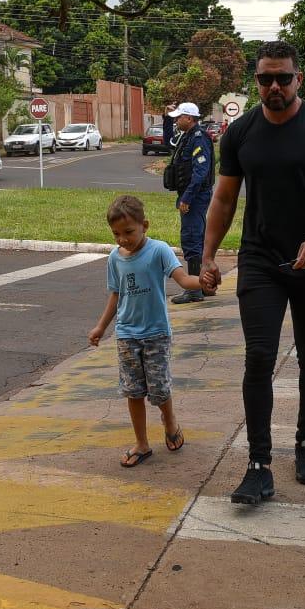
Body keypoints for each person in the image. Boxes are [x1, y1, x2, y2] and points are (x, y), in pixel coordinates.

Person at [200, 40, 305, 506]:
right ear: (256, 81)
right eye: (265, 78)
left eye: (282, 78)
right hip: (260, 260)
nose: (274, 87)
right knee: (258, 359)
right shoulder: (240, 133)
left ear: (298, 79)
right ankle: (258, 465)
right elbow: (224, 198)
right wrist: (208, 257)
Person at [88, 194, 211, 469]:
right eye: (116, 234)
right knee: (133, 391)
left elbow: (181, 279)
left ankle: (170, 422)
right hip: (127, 334)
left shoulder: (159, 250)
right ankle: (142, 443)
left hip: (156, 333)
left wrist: (201, 282)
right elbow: (115, 295)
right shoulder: (114, 258)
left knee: (159, 390)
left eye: (128, 232)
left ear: (145, 225)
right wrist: (101, 326)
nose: (122, 239)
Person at [167, 101, 215, 304]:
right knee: (198, 239)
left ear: (189, 118)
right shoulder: (186, 137)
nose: (176, 120)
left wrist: (187, 198)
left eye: (179, 117)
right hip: (190, 194)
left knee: (192, 239)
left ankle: (195, 290)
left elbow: (201, 172)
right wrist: (166, 119)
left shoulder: (198, 138)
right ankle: (204, 286)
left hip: (195, 196)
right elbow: (167, 141)